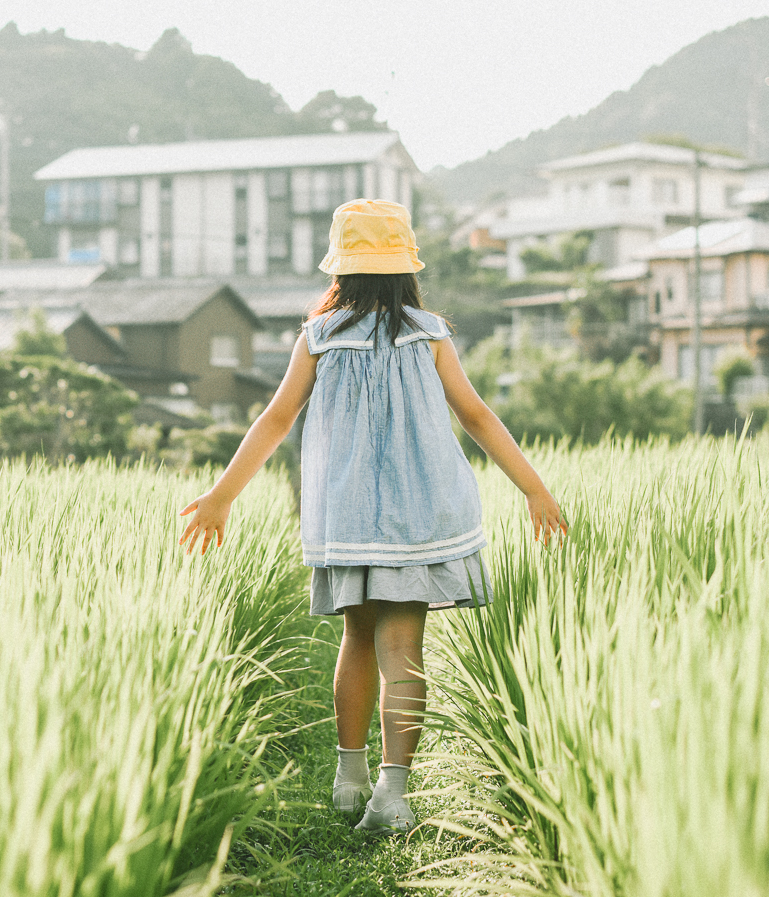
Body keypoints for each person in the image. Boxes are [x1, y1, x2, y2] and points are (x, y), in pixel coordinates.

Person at [179, 198, 567, 834]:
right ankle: (394, 791)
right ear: (406, 268)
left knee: (356, 638)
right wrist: (534, 489)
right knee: (403, 645)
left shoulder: (320, 336)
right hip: (419, 514)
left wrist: (223, 495)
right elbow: (476, 416)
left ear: (342, 271)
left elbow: (276, 419)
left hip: (348, 513)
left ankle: (347, 776)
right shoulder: (430, 333)